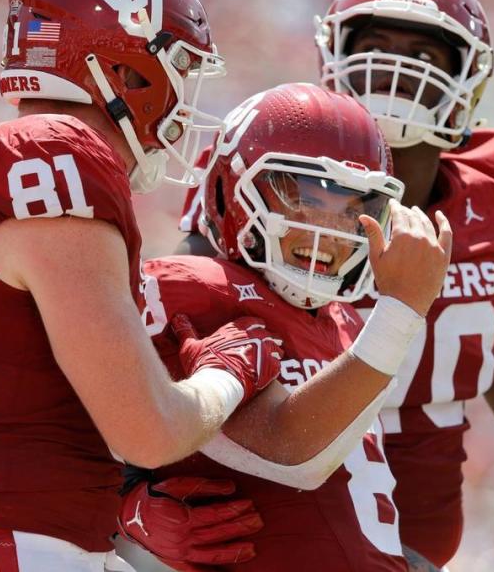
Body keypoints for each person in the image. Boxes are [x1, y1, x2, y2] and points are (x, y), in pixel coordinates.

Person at [174, 0, 494, 569]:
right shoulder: (266, 165)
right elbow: (164, 357)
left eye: (423, 54)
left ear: (467, 80)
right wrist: (133, 493)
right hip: (273, 539)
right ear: (334, 55)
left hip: (409, 550)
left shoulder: (493, 189)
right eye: (377, 45)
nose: (395, 68)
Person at [0, 0, 284, 572]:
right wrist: (230, 370)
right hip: (10, 547)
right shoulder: (55, 151)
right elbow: (147, 429)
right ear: (122, 68)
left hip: (2, 541)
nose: (184, 95)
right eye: (175, 65)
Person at [115, 83, 452, 572]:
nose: (329, 228)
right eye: (303, 193)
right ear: (232, 186)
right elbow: (294, 452)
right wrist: (124, 505)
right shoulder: (190, 287)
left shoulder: (348, 323)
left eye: (354, 208)